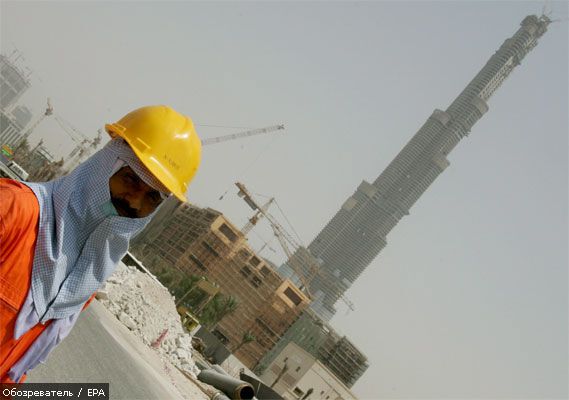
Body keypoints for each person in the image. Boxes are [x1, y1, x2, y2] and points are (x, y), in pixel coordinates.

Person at [0, 105, 201, 383]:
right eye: (130, 179)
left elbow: (14, 365)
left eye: (152, 198)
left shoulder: (83, 281)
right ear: (104, 165)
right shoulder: (14, 209)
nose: (134, 201)